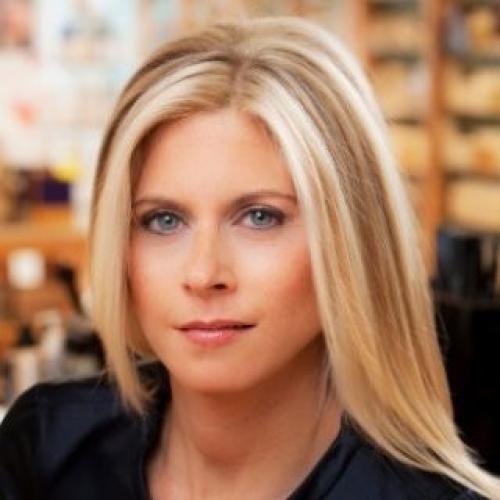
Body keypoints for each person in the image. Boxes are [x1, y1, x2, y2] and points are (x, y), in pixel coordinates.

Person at [1, 16, 499, 500]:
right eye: (163, 220)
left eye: (260, 217)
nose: (203, 273)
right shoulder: (46, 450)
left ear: (351, 242)